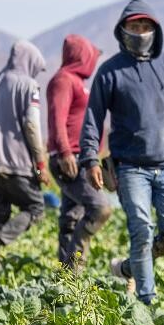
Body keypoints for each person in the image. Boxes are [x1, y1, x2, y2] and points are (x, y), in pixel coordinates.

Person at [80, 0, 164, 305]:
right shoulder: (110, 72)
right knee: (141, 230)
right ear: (122, 31)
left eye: (145, 26)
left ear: (155, 30)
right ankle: (147, 301)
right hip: (129, 168)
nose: (140, 32)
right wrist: (90, 158)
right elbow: (93, 118)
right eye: (134, 26)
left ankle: (126, 268)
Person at [0, 40, 49, 268]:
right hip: (16, 162)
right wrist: (41, 163)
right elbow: (32, 126)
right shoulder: (29, 86)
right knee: (35, 208)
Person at [46, 34, 111, 269]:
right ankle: (75, 268)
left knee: (70, 219)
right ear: (82, 55)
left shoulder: (76, 82)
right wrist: (64, 152)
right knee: (100, 208)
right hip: (69, 159)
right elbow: (57, 117)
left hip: (79, 159)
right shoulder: (63, 80)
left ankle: (64, 281)